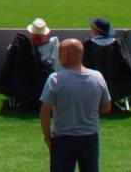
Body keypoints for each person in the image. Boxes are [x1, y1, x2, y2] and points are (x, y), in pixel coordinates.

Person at [41, 38, 112, 172]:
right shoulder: (97, 77)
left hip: (63, 139)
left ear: (66, 54)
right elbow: (106, 108)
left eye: (59, 53)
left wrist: (47, 137)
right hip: (90, 138)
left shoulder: (55, 79)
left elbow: (45, 111)